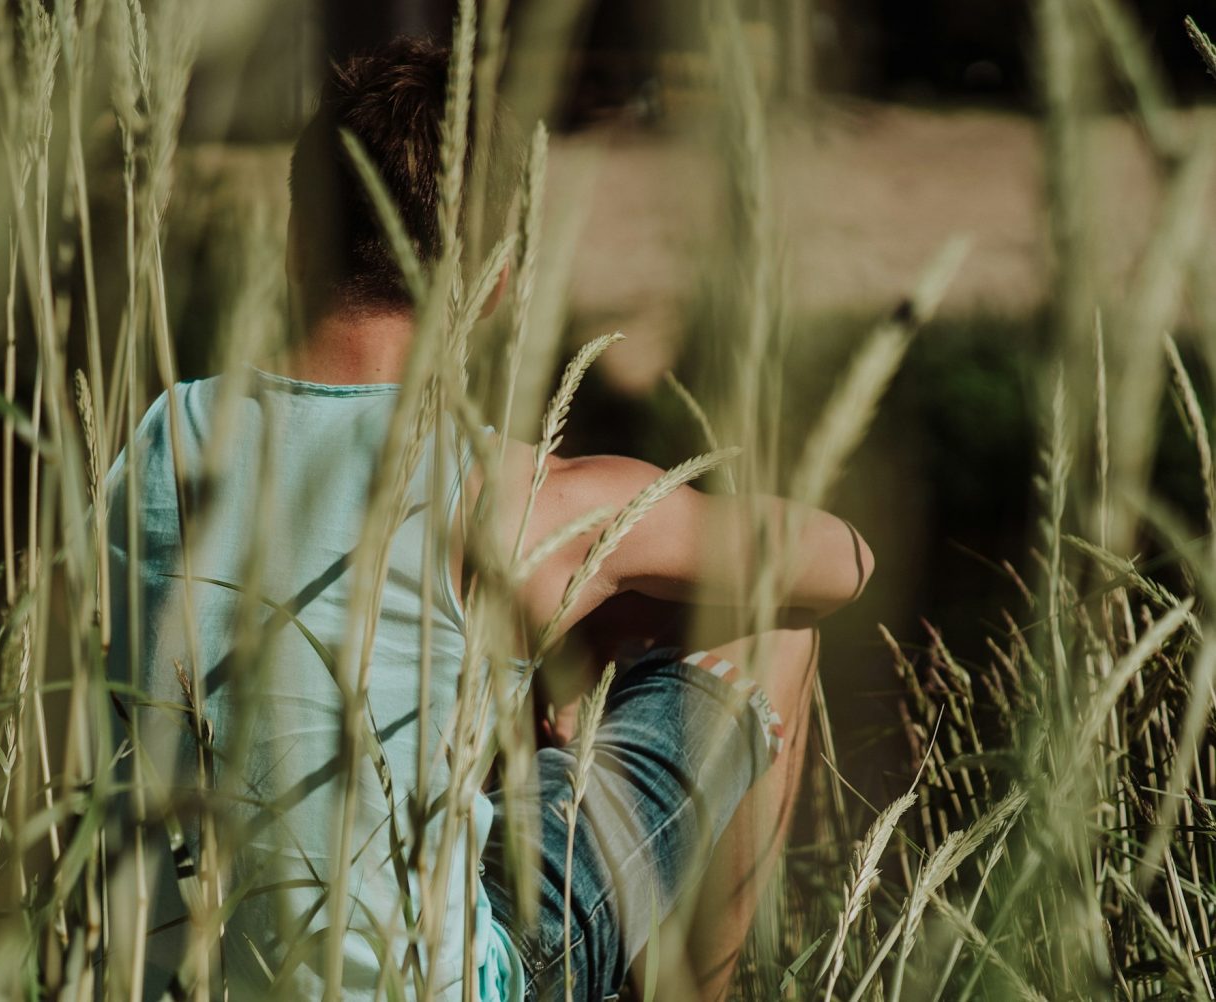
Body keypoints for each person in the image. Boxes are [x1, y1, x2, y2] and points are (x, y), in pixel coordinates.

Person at [107, 36, 873, 1002]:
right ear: (500, 283)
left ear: (294, 240)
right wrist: (599, 592)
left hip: (192, 974)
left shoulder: (157, 441)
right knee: (766, 630)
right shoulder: (519, 497)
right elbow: (842, 560)